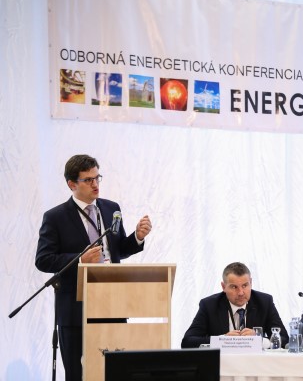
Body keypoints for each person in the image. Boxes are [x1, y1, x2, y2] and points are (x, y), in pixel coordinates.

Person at [35, 154, 152, 381]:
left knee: (115, 372)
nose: (95, 184)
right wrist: (80, 259)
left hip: (112, 305)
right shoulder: (55, 217)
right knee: (78, 374)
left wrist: (137, 237)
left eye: (97, 177)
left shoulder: (111, 208)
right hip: (75, 309)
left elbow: (118, 250)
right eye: (88, 180)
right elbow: (43, 259)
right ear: (72, 184)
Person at [181, 262, 289, 348]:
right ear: (223, 287)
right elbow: (187, 342)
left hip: (256, 364)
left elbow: (285, 339)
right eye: (234, 287)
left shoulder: (264, 302)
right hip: (222, 365)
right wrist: (222, 340)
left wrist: (259, 340)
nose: (241, 292)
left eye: (245, 285)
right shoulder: (209, 305)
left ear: (251, 282)